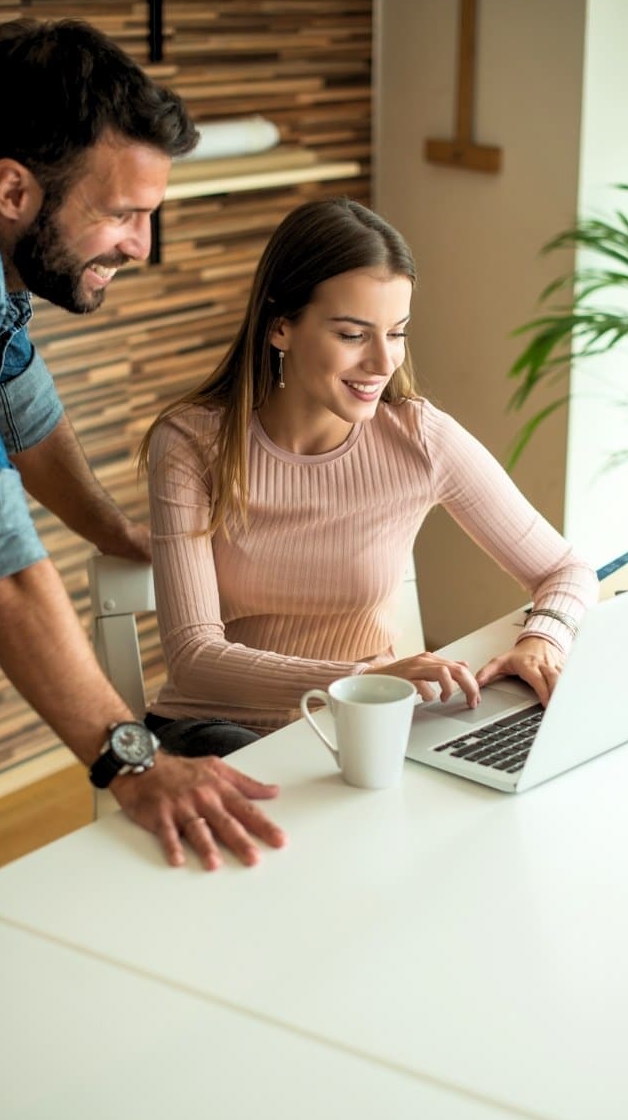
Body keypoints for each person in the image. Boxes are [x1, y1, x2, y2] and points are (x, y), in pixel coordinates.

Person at [0, 19, 286, 871]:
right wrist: (129, 760)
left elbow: (18, 398)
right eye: (122, 214)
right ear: (15, 192)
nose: (141, 247)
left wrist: (113, 531)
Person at [140, 197, 599, 752]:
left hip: (367, 727)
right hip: (220, 731)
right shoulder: (191, 443)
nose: (384, 363)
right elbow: (194, 660)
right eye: (353, 335)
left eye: (397, 332)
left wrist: (542, 639)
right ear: (281, 325)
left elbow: (566, 569)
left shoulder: (419, 438)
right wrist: (362, 682)